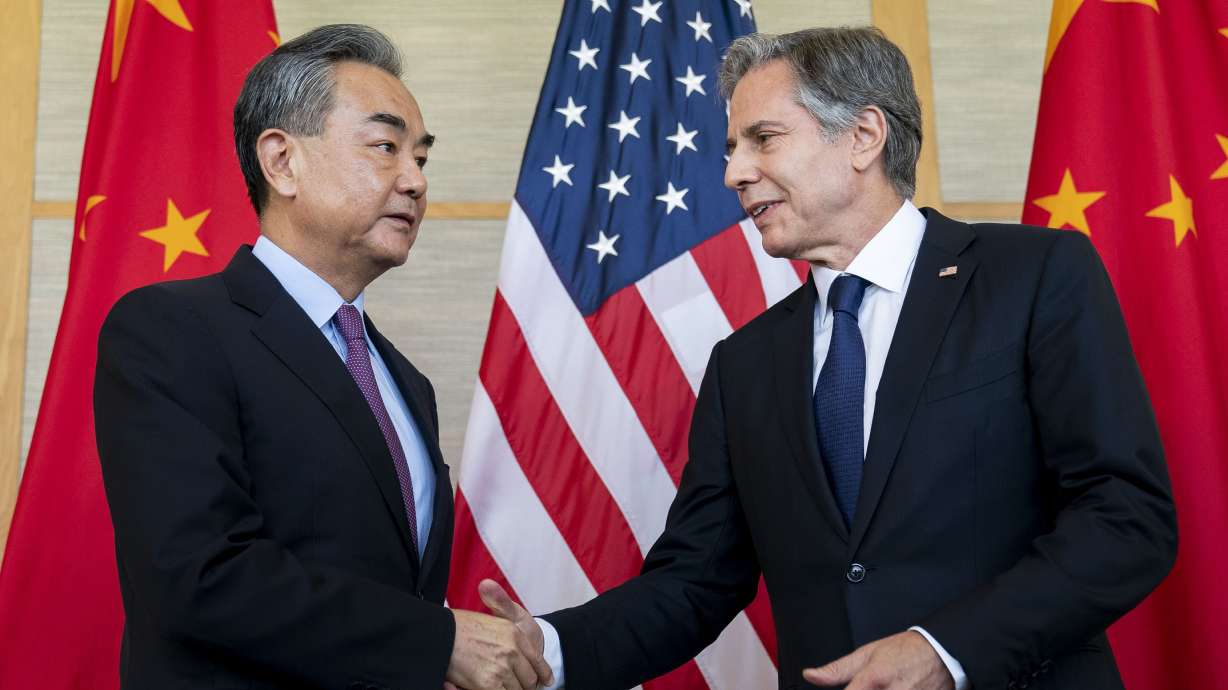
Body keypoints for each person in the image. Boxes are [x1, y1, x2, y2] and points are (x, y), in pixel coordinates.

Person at [482, 27, 1177, 690]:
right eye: (731, 148)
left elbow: (1125, 517)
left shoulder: (1032, 276)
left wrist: (947, 651)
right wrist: (554, 649)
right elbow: (696, 581)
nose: (732, 173)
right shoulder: (744, 363)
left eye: (763, 139)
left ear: (864, 136)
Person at [95, 24, 550, 690]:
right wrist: (437, 639)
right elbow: (195, 575)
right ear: (282, 162)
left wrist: (467, 646)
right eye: (385, 147)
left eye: (422, 158)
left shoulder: (403, 381)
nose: (417, 182)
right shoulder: (171, 330)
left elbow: (379, 588)